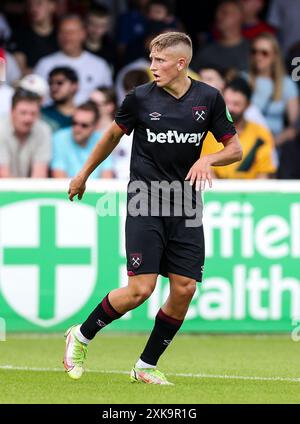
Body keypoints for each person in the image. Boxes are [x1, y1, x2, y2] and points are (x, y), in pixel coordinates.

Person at [63, 32, 242, 385]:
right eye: (151, 59)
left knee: (185, 288)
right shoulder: (140, 98)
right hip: (145, 199)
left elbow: (234, 149)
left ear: (181, 63)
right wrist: (83, 174)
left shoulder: (209, 98)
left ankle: (145, 365)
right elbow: (112, 136)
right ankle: (80, 336)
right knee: (139, 291)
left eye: (159, 61)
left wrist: (210, 159)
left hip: (187, 203)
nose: (152, 67)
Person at [202, 77, 277, 179]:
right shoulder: (209, 132)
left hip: (251, 192)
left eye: (236, 104)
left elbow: (264, 174)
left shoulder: (261, 133)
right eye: (227, 102)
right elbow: (205, 169)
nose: (230, 108)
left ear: (248, 105)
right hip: (216, 190)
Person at [34, 14, 113, 105]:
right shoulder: (44, 64)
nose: (66, 37)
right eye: (62, 32)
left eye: (71, 32)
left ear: (83, 34)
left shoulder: (100, 65)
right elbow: (35, 99)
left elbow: (108, 100)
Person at [51, 101, 113, 178]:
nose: (77, 128)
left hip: (96, 190)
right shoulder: (59, 138)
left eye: (84, 125)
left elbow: (107, 178)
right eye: (74, 123)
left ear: (95, 126)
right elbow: (59, 178)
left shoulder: (104, 140)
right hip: (68, 189)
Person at [0, 89, 51, 177]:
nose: (28, 119)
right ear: (12, 112)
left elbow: (39, 176)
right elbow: (4, 176)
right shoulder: (1, 128)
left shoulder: (43, 130)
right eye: (23, 113)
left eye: (33, 114)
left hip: (30, 188)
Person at [42, 66, 78, 132]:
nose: (53, 87)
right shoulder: (42, 114)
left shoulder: (84, 114)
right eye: (50, 83)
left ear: (74, 86)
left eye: (59, 83)